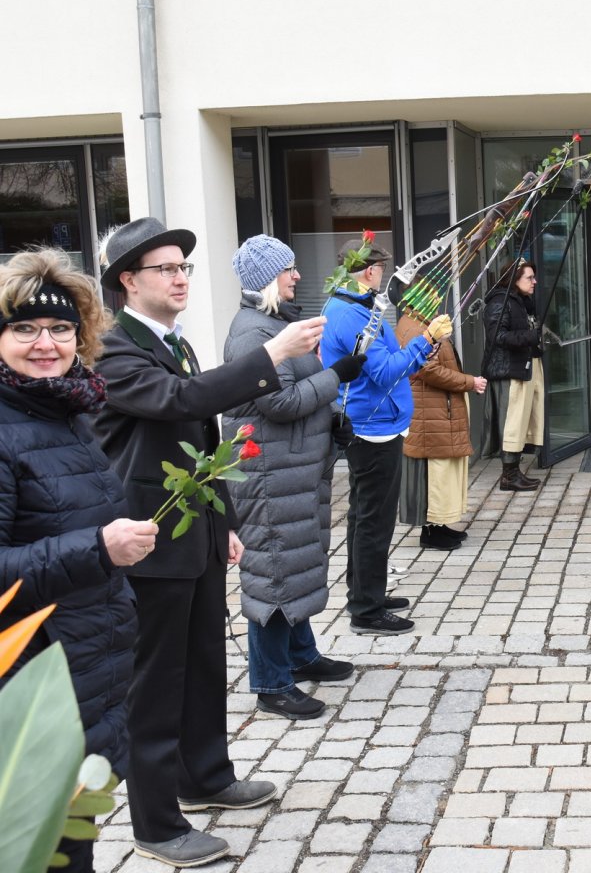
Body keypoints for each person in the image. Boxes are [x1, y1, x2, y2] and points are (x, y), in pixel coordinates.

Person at [93, 217, 327, 867]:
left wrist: (223, 520)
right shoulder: (113, 348)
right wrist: (273, 354)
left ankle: (206, 777)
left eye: (183, 267)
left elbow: (202, 435)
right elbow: (178, 400)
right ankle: (157, 822)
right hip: (147, 541)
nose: (179, 277)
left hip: (191, 535)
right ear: (127, 282)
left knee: (202, 665)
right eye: (164, 268)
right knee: (156, 680)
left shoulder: (174, 341)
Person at [0, 248, 159, 873]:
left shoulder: (65, 412)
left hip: (86, 675)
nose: (46, 343)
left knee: (71, 845)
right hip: (30, 687)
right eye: (24, 328)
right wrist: (96, 549)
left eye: (61, 328)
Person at [222, 236, 366, 720]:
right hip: (267, 476)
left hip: (293, 470)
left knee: (296, 565)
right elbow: (277, 403)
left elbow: (296, 392)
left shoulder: (277, 323)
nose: (297, 276)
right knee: (274, 572)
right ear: (267, 277)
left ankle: (301, 656)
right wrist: (336, 378)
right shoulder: (251, 333)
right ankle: (270, 683)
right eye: (288, 269)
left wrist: (330, 418)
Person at [320, 238, 447, 636]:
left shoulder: (352, 306)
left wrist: (420, 351)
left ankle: (364, 590)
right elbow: (384, 372)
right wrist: (425, 340)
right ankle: (367, 609)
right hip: (372, 429)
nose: (383, 275)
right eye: (381, 269)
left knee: (364, 516)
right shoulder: (352, 315)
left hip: (372, 423)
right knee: (374, 521)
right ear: (370, 272)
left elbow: (389, 362)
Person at [396, 308, 486, 550]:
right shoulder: (417, 326)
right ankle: (432, 531)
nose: (438, 300)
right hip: (431, 411)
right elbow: (427, 368)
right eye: (432, 294)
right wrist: (470, 382)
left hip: (434, 409)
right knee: (434, 473)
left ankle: (439, 526)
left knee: (442, 471)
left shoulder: (421, 320)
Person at [483, 258, 545, 491]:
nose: (535, 281)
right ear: (514, 279)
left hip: (522, 367)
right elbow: (497, 337)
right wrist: (530, 337)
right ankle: (508, 476)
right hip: (509, 371)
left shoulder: (521, 302)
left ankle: (514, 471)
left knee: (522, 422)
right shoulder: (499, 302)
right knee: (513, 424)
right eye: (529, 277)